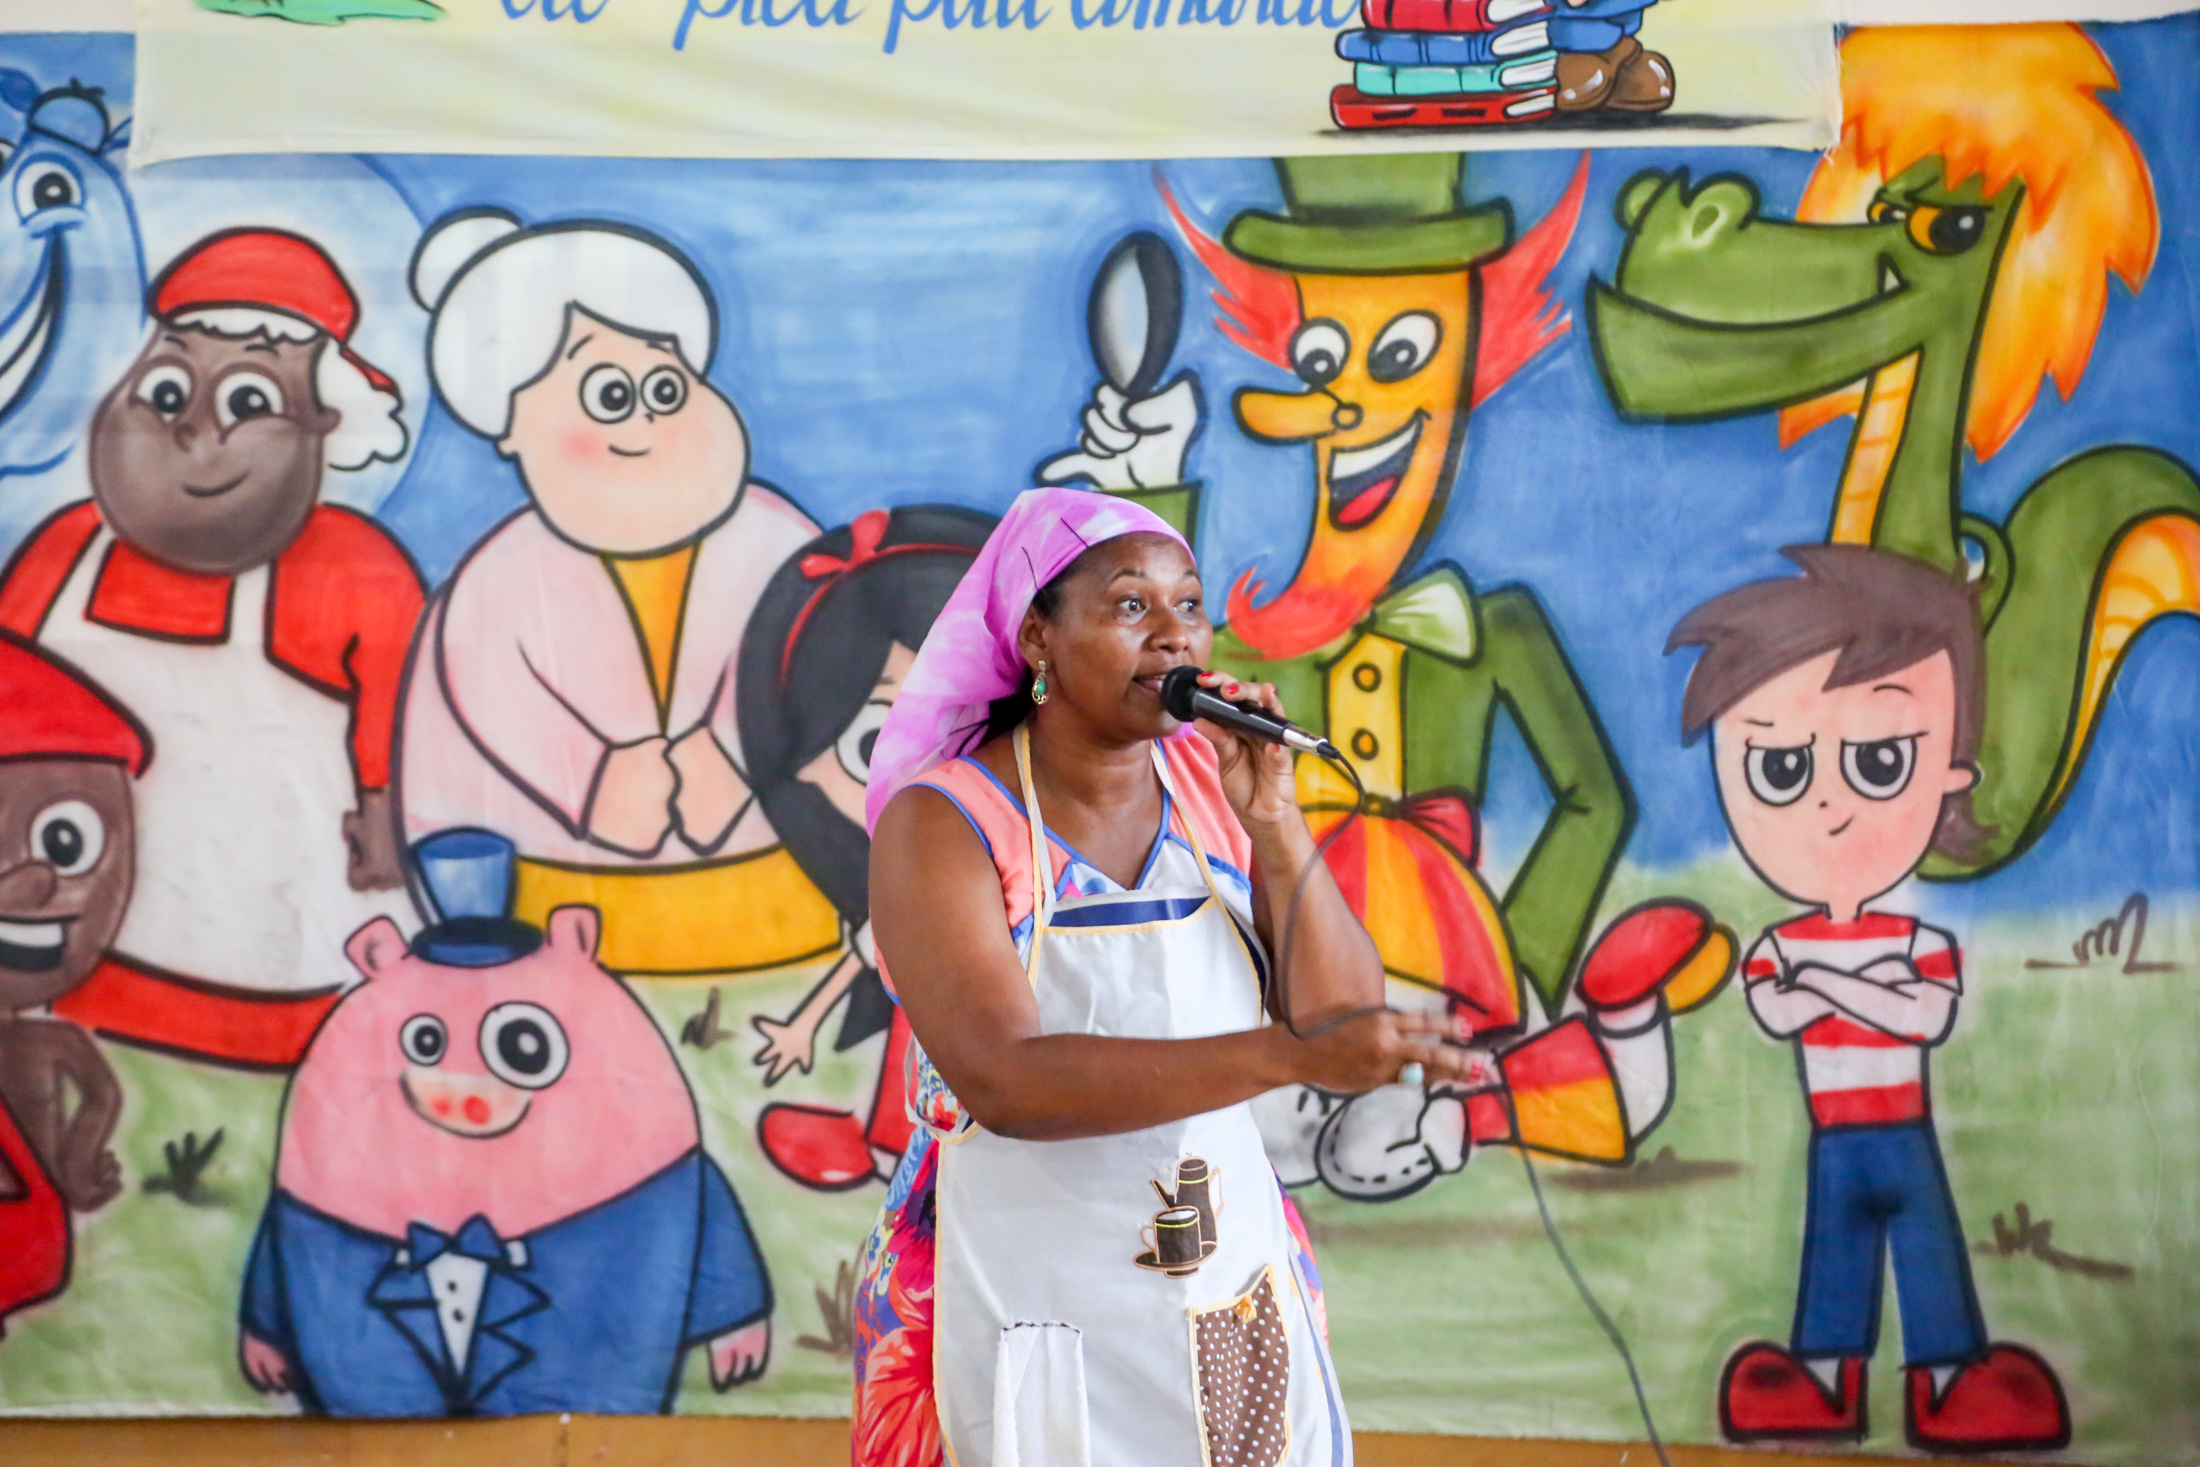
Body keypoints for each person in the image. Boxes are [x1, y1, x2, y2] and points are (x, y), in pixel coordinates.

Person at [853, 487, 1472, 1467]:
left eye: (1188, 604)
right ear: (1038, 638)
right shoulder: (945, 822)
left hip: (1224, 1286)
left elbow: (1337, 1013)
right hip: (1028, 1301)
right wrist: (1283, 1055)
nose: (1174, 636)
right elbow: (1005, 1081)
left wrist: (1274, 822)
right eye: (1131, 605)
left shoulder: (1212, 790)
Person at [1670, 545, 2069, 1453]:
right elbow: (1782, 1012)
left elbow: (1922, 1016)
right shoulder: (1799, 948)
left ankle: (1948, 1378)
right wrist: (1857, 990)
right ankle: (1822, 1380)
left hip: (1904, 1130)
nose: (1830, 807)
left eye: (1881, 760)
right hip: (1837, 1135)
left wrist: (1831, 985)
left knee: (1932, 1258)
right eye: (1779, 770)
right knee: (1833, 1258)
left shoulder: (1914, 943)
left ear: (1950, 781)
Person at [0, 228, 421, 1068]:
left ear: (322, 423)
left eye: (248, 402)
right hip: (74, 981)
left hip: (290, 999)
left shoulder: (351, 567)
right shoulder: (64, 550)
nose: (195, 430)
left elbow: (404, 745)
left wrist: (386, 814)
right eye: (167, 387)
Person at [396, 209, 832, 978]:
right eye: (608, 393)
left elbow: (810, 653)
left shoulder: (775, 539)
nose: (649, 420)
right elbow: (496, 700)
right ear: (512, 424)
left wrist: (728, 754)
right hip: (569, 919)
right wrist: (601, 781)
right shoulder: (497, 581)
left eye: (667, 385)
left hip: (783, 898)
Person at [735, 505, 993, 1192]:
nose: (922, 770)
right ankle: (892, 1149)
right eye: (873, 743)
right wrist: (800, 1027)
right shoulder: (901, 904)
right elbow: (858, 963)